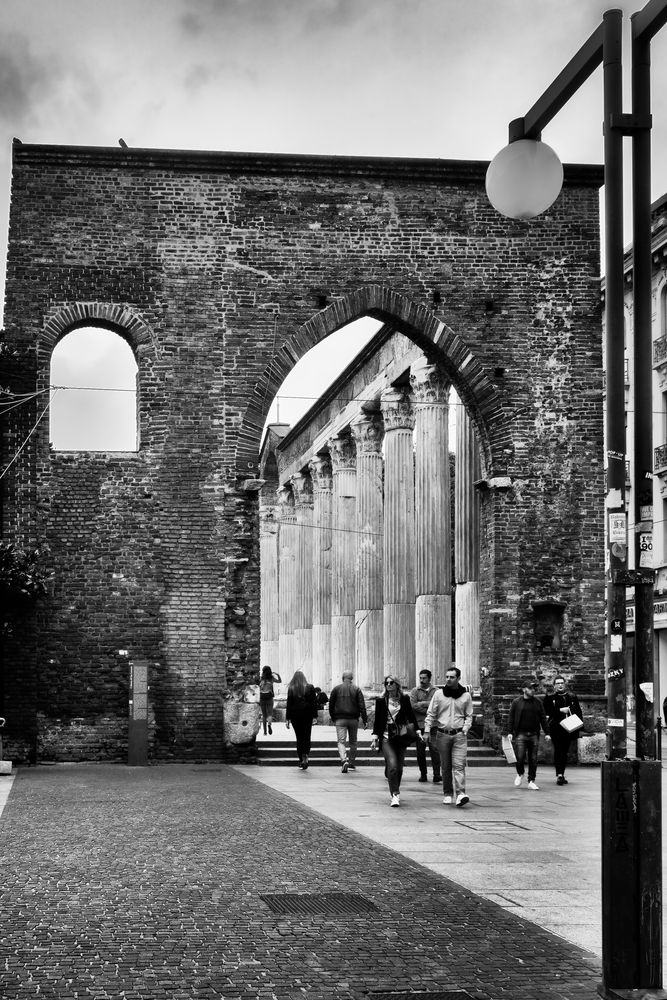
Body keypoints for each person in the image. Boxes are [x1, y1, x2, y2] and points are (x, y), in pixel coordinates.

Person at [422, 666, 473, 807]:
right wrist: (427, 731)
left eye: (451, 677)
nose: (448, 679)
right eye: (447, 677)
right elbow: (431, 713)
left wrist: (465, 728)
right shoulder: (439, 694)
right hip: (442, 734)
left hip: (459, 735)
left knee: (459, 765)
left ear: (458, 678)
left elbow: (469, 715)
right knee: (445, 766)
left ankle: (461, 793)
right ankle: (448, 794)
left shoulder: (466, 696)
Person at [370, 675, 418, 807]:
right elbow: (378, 720)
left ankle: (396, 788)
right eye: (386, 683)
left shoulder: (404, 699)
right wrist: (375, 736)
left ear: (397, 684)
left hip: (401, 736)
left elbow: (411, 716)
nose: (388, 685)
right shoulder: (381, 701)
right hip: (386, 737)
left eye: (391, 682)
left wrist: (418, 731)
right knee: (392, 766)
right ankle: (395, 795)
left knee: (400, 768)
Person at [507, 679, 551, 790]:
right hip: (521, 734)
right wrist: (510, 732)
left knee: (533, 759)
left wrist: (547, 733)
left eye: (534, 688)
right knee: (520, 757)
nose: (533, 690)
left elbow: (543, 718)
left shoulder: (538, 702)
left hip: (533, 734)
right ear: (524, 689)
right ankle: (520, 773)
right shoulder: (517, 702)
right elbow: (511, 718)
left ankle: (531, 780)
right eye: (530, 688)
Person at [543, 675, 583, 785]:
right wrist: (560, 710)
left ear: (564, 684)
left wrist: (580, 729)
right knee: (558, 750)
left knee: (565, 751)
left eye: (562, 683)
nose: (560, 685)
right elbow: (547, 712)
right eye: (557, 683)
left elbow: (578, 712)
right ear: (554, 686)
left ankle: (562, 773)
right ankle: (559, 774)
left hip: (569, 728)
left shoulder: (572, 697)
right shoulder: (550, 698)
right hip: (556, 729)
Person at [328, 670, 368, 772]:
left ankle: (343, 760)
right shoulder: (356, 689)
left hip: (340, 719)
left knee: (341, 742)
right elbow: (362, 706)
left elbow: (331, 705)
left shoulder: (336, 689)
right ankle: (351, 762)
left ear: (342, 678)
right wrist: (365, 719)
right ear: (352, 678)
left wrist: (333, 717)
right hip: (353, 719)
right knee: (353, 742)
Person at [409, 669, 442, 783]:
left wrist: (422, 703)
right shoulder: (415, 691)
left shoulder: (437, 691)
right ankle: (423, 774)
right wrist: (430, 707)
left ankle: (437, 774)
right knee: (420, 751)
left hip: (433, 725)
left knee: (434, 749)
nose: (422, 680)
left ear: (429, 678)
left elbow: (438, 706)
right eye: (420, 678)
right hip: (420, 725)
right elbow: (413, 706)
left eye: (424, 678)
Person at [285, 670, 318, 769]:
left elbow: (289, 704)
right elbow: (314, 703)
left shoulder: (291, 688)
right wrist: (315, 716)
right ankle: (306, 754)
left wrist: (288, 718)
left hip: (295, 716)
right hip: (307, 715)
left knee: (299, 738)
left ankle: (301, 759)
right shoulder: (310, 687)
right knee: (307, 736)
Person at [258, 665, 281, 736]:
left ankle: (265, 732)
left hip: (262, 698)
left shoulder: (261, 679)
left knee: (264, 715)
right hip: (269, 698)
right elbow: (280, 681)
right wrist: (277, 674)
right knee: (270, 714)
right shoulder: (271, 678)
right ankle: (269, 724)